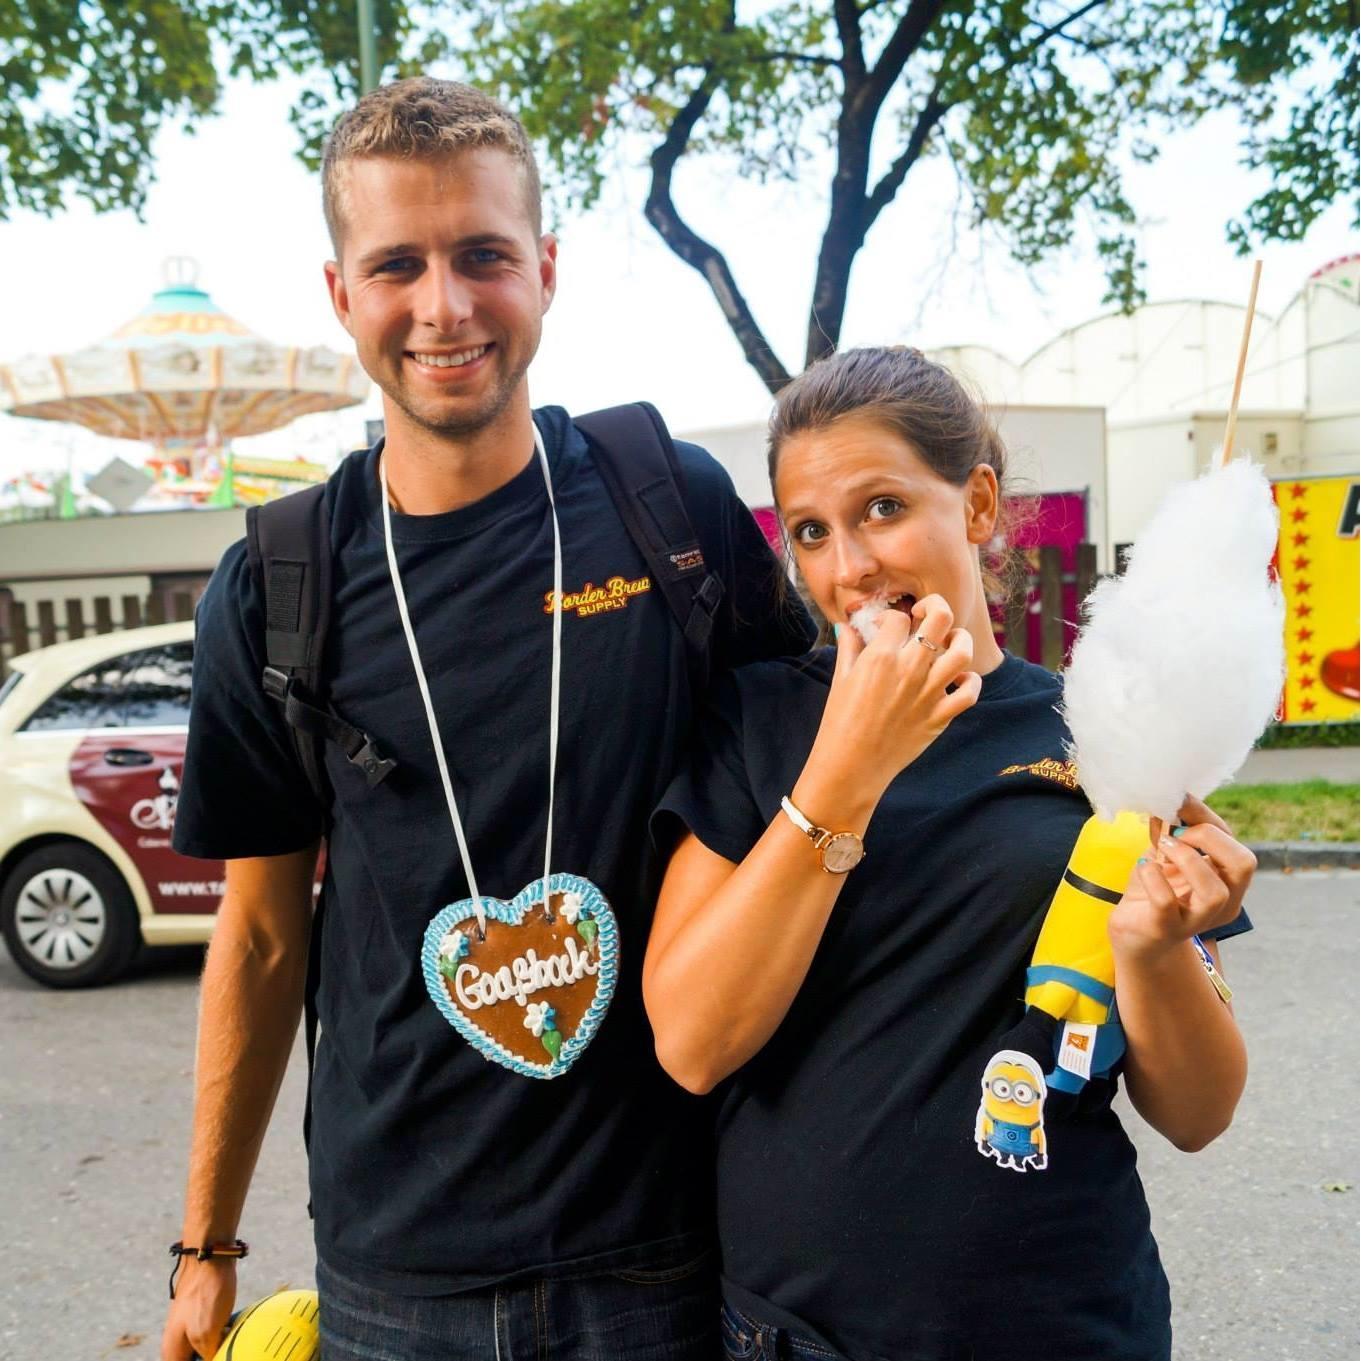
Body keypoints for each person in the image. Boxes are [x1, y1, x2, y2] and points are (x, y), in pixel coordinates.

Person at [161, 78, 812, 1361]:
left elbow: (827, 771)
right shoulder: (280, 582)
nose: (444, 305)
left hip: (668, 1251)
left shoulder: (663, 508)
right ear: (341, 293)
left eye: (483, 256)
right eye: (397, 263)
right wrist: (206, 1245)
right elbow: (258, 937)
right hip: (397, 1276)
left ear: (547, 270)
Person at [644, 345, 1256, 1361]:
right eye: (810, 531)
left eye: (881, 507)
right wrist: (844, 766)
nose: (848, 566)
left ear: (974, 504)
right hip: (796, 1334)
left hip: (1062, 1322)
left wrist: (1151, 949)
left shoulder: (1102, 734)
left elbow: (1195, 1111)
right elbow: (692, 1042)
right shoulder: (756, 723)